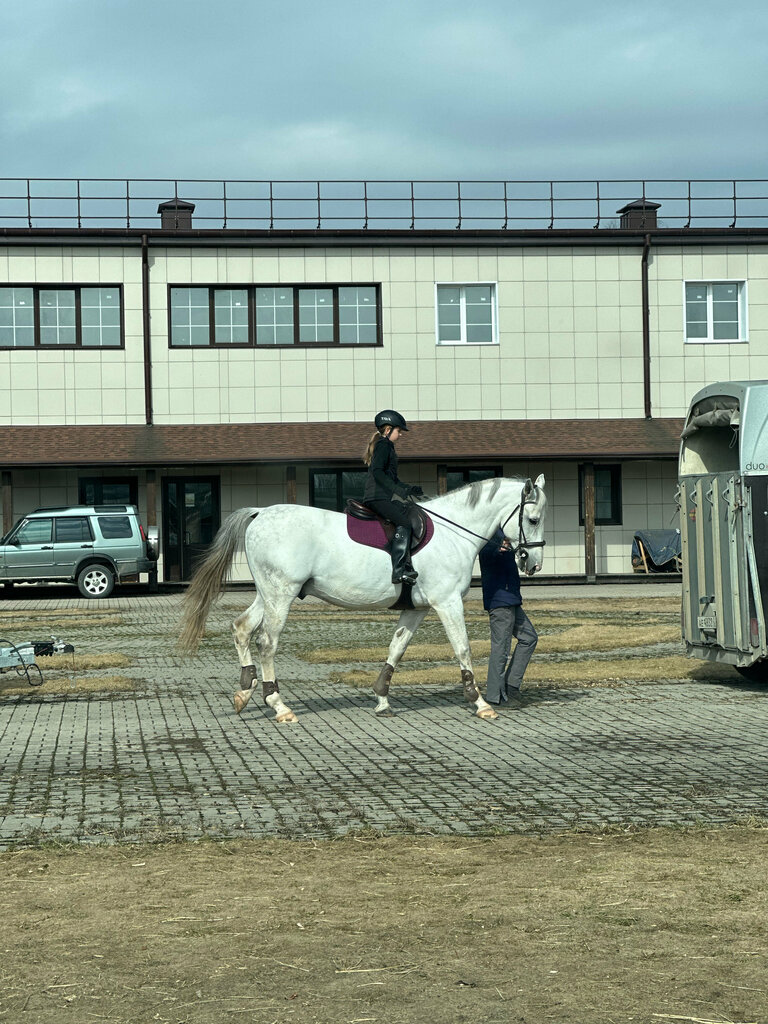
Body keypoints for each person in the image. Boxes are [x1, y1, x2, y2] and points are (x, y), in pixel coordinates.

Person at [479, 527, 538, 707]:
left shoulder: (506, 536)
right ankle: (495, 695)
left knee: (529, 638)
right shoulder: (488, 537)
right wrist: (499, 547)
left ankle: (511, 685)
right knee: (501, 648)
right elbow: (488, 553)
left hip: (511, 599)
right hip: (499, 602)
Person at [363, 410, 424, 584]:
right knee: (404, 523)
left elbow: (392, 478)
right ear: (388, 429)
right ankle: (399, 571)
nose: (401, 435)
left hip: (382, 497)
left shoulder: (387, 446)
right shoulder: (383, 445)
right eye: (399, 431)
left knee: (406, 513)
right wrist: (399, 490)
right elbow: (378, 473)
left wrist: (408, 489)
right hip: (376, 498)